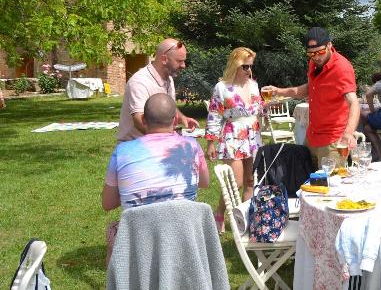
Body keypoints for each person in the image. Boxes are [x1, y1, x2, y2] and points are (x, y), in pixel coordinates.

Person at [102, 93, 209, 262]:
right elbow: (204, 182)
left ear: (143, 119)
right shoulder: (192, 146)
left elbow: (108, 204)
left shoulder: (122, 152)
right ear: (175, 121)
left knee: (112, 230)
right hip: (184, 234)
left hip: (139, 239)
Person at [261, 27, 359, 169]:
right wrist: (278, 91)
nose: (316, 57)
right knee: (309, 182)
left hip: (333, 140)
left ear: (329, 45)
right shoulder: (314, 63)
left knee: (330, 187)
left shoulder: (341, 68)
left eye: (320, 52)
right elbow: (310, 88)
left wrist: (349, 133)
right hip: (312, 136)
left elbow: (353, 102)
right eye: (311, 53)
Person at [205, 47, 264, 233]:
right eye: (245, 67)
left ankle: (244, 219)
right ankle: (220, 213)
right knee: (235, 182)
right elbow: (214, 114)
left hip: (253, 136)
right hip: (233, 135)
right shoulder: (222, 87)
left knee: (250, 181)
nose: (249, 71)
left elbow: (259, 107)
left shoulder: (253, 85)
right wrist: (211, 142)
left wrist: (266, 108)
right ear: (235, 66)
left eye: (251, 67)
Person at [117, 38, 199, 142]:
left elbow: (168, 107)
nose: (183, 65)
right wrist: (164, 139)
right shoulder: (139, 82)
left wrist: (183, 118)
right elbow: (139, 120)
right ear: (164, 59)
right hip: (135, 147)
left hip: (157, 145)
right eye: (179, 61)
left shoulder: (168, 78)